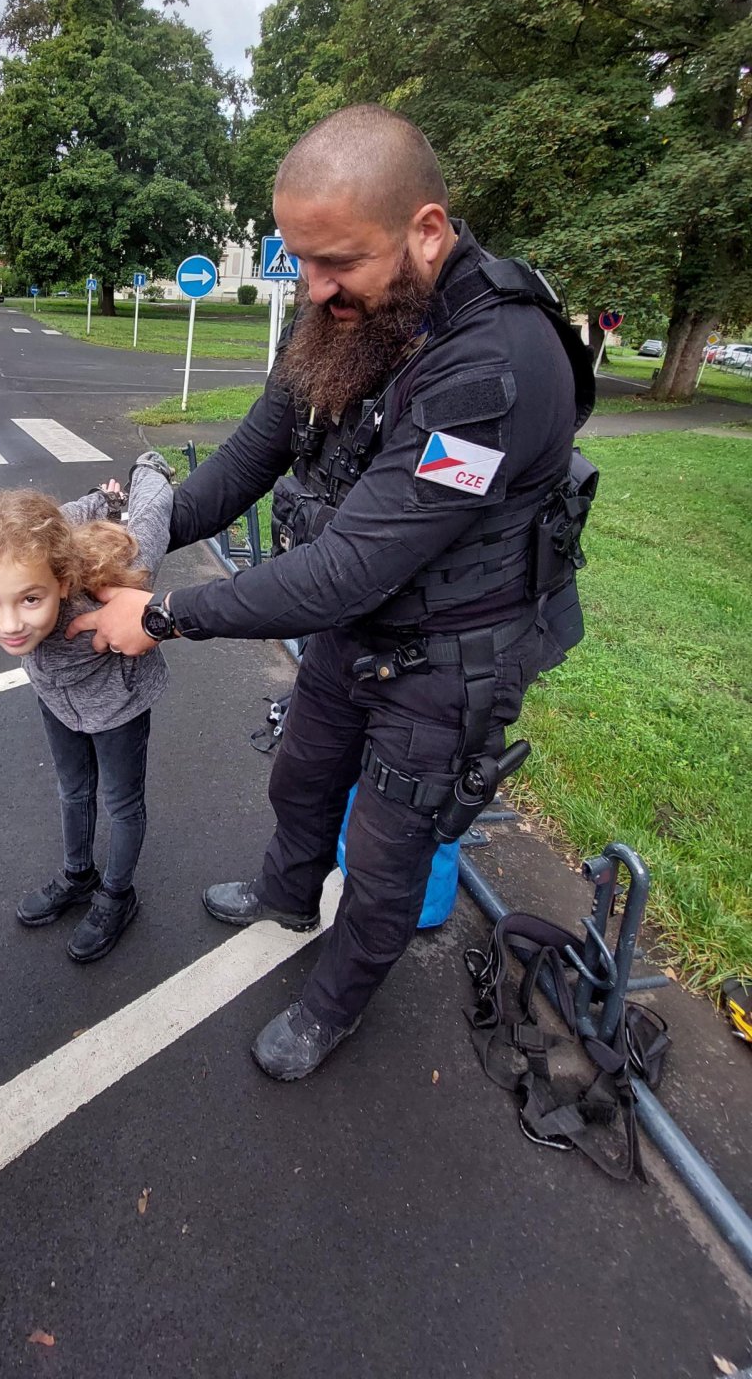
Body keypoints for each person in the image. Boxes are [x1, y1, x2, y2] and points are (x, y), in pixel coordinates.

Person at [68, 104, 595, 1081]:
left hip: (448, 660)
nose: (313, 287)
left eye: (337, 261)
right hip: (357, 626)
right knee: (303, 775)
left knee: (387, 855)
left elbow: (351, 564)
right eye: (298, 259)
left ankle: (333, 1005)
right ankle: (286, 894)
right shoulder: (351, 311)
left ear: (426, 231)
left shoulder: (492, 367)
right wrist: (132, 538)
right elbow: (250, 458)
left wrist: (166, 615)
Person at [0, 454, 175, 961]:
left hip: (118, 705)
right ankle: (78, 875)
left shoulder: (105, 590)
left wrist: (149, 471)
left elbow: (152, 524)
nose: (10, 625)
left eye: (30, 600)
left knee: (121, 803)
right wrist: (102, 498)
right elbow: (59, 517)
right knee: (73, 789)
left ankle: (118, 895)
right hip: (58, 701)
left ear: (63, 582)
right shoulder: (33, 550)